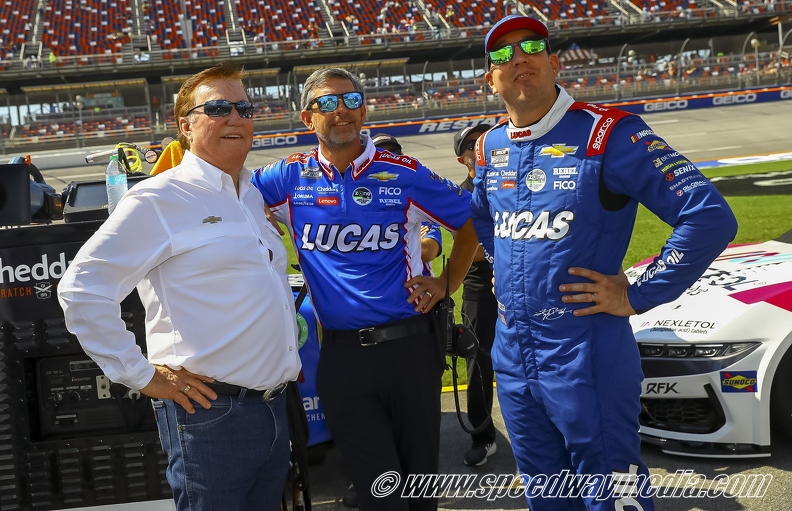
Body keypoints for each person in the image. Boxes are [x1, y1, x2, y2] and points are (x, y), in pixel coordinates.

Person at [469, 15, 738, 511]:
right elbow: (482, 218)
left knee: (613, 493)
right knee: (546, 495)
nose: (518, 58)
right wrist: (502, 270)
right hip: (513, 354)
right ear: (491, 79)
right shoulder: (489, 146)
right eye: (503, 55)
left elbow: (709, 217)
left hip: (586, 349)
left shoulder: (610, 132)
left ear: (554, 62)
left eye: (531, 46)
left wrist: (638, 292)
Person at [58, 62, 300, 511]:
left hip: (273, 407)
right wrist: (142, 375)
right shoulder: (158, 198)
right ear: (185, 126)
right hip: (211, 415)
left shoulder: (250, 194)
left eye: (244, 108)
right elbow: (82, 289)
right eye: (218, 108)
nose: (235, 117)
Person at [251, 67, 479, 511]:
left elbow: (471, 221)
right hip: (342, 358)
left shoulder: (405, 173)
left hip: (411, 349)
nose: (341, 111)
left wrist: (446, 283)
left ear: (364, 111)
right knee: (378, 494)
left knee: (419, 489)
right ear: (307, 117)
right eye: (327, 103)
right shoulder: (287, 177)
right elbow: (228, 194)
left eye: (351, 101)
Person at [451, 124, 499, 467]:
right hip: (480, 286)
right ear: (462, 158)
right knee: (479, 360)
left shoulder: (513, 181)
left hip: (525, 281)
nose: (479, 146)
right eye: (471, 144)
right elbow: (473, 251)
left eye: (484, 138)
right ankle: (483, 436)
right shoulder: (460, 195)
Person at [372, 132, 443, 270]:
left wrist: (382, 244)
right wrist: (412, 240)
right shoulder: (359, 198)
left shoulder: (419, 197)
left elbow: (429, 251)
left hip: (414, 282)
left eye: (393, 153)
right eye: (379, 153)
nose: (387, 158)